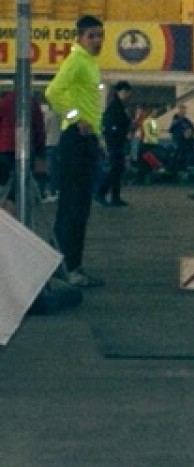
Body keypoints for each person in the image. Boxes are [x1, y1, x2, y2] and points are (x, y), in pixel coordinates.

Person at [45, 15, 106, 286]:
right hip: (76, 139)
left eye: (100, 35)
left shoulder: (90, 63)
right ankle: (67, 268)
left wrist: (98, 138)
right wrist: (76, 117)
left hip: (86, 140)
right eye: (91, 36)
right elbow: (53, 91)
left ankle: (69, 266)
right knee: (73, 207)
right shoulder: (77, 61)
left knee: (78, 206)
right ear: (79, 38)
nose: (97, 41)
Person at [1, 82, 48, 210]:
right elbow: (39, 127)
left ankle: (7, 203)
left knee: (6, 178)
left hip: (4, 147)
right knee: (22, 177)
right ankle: (13, 203)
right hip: (25, 147)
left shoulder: (5, 101)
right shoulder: (31, 102)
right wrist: (40, 147)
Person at [98, 81, 134, 207]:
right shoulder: (115, 107)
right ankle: (101, 192)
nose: (127, 95)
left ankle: (115, 196)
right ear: (119, 92)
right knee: (114, 168)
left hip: (118, 141)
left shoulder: (120, 106)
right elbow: (112, 125)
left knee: (118, 169)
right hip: (115, 142)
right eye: (125, 92)